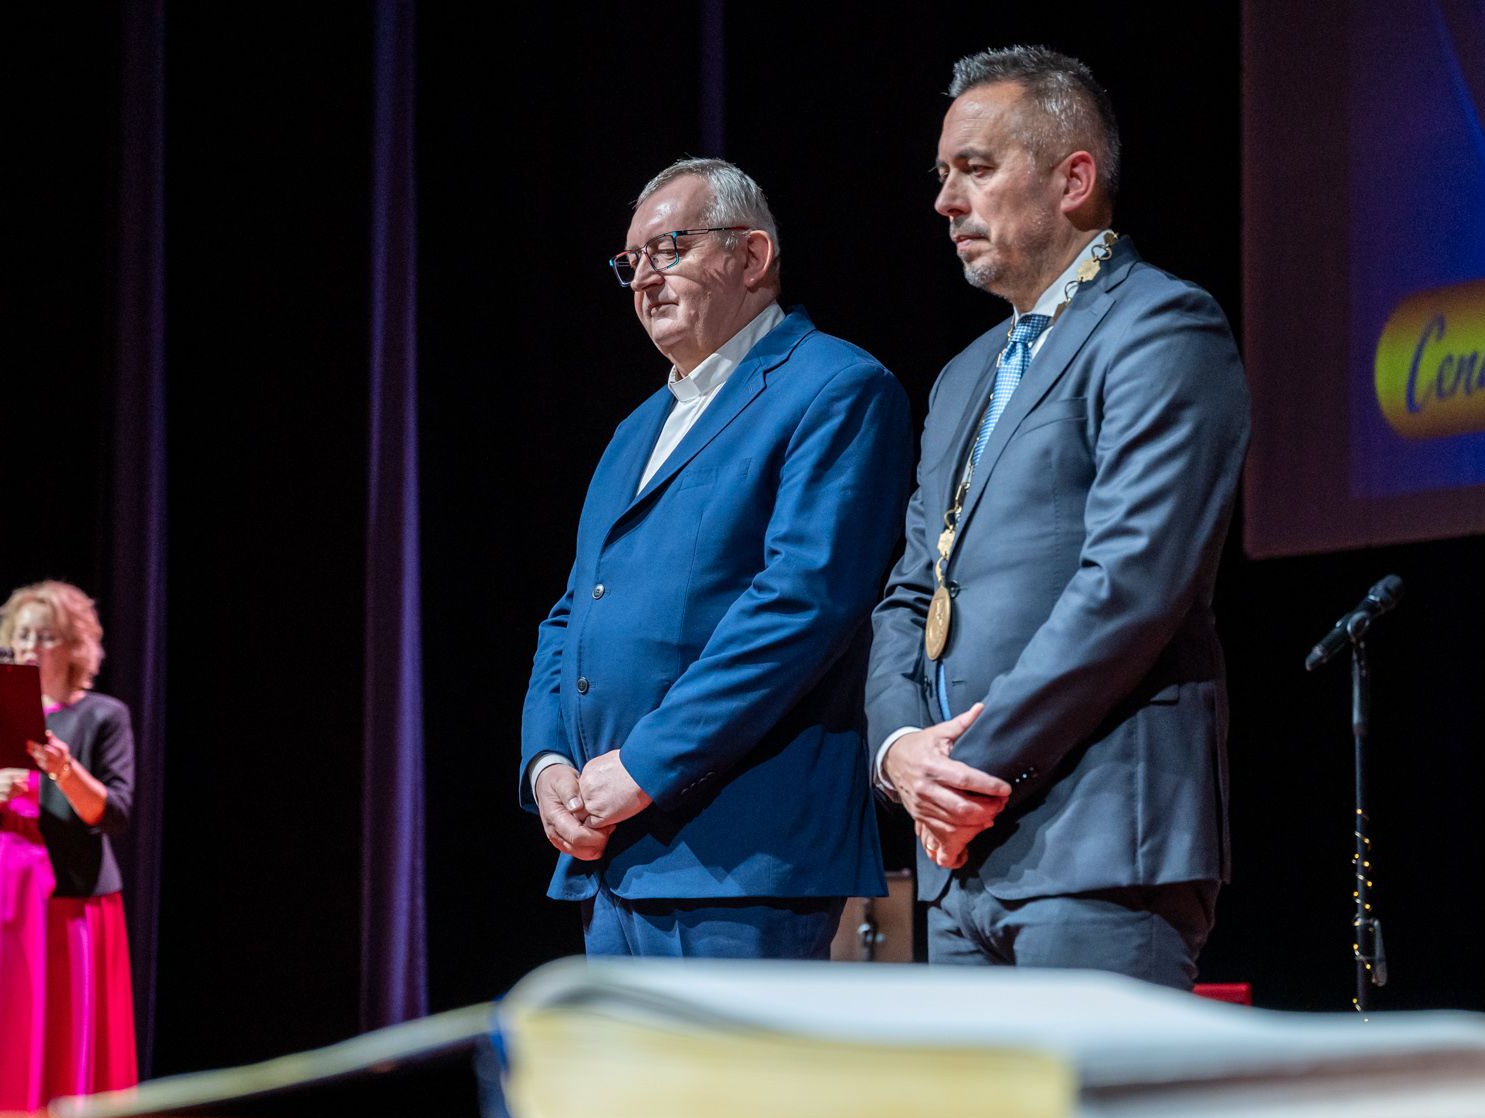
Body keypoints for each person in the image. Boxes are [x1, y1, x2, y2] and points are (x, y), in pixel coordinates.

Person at [867, 46, 1250, 986]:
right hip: (958, 863)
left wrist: (967, 773)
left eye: (976, 168)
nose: (946, 201)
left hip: (1100, 841)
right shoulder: (963, 376)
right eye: (943, 173)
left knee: (1095, 1098)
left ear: (1073, 180)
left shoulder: (1161, 326)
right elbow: (909, 593)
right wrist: (900, 754)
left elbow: (1130, 586)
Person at [520, 157, 914, 959]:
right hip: (610, 854)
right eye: (631, 261)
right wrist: (548, 762)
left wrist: (645, 764)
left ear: (752, 255)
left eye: (669, 249)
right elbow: (572, 612)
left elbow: (803, 603)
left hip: (740, 857)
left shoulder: (837, 387)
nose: (643, 279)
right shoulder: (634, 430)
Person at [0, 580, 137, 1112]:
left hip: (67, 898)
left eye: (45, 636)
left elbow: (112, 813)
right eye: (21, 635)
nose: (30, 647)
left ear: (74, 647)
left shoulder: (102, 716)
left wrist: (65, 770)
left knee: (62, 1029)